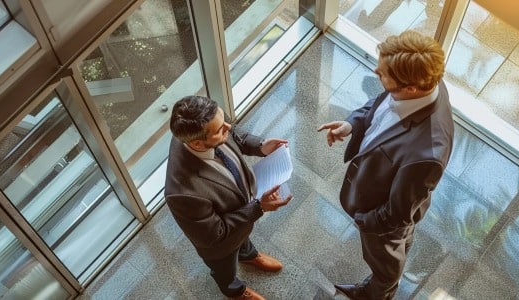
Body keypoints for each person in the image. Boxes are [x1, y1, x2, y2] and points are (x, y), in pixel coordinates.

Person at [317, 30, 454, 300]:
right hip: (384, 191)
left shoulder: (427, 153)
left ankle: (378, 293)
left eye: (382, 75)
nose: (376, 73)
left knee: (385, 263)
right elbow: (381, 103)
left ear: (412, 88)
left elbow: (399, 212)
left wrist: (365, 222)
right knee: (399, 245)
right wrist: (353, 123)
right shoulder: (426, 83)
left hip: (380, 216)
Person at [165, 95, 293, 300]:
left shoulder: (206, 126)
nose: (228, 126)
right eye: (220, 129)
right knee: (224, 271)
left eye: (223, 119)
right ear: (197, 143)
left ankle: (248, 255)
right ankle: (235, 291)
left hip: (239, 213)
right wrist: (258, 208)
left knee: (242, 237)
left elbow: (234, 134)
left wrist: (260, 146)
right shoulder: (182, 193)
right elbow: (214, 234)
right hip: (220, 246)